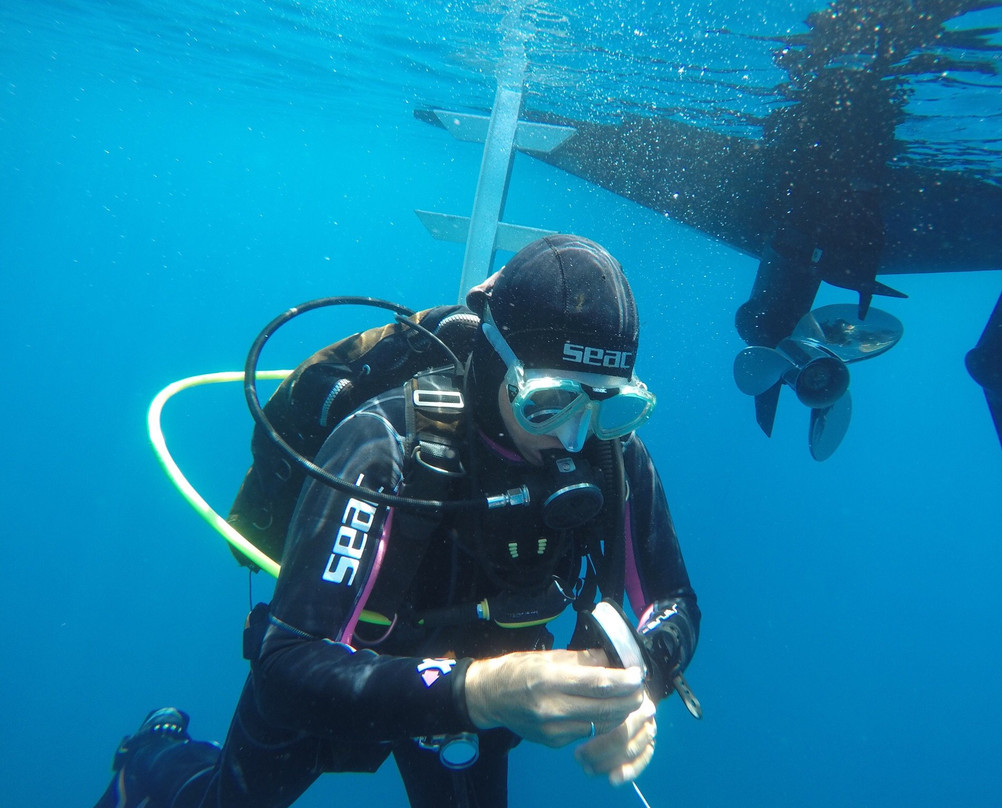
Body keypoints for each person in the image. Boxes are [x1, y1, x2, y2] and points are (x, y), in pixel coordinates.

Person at [94, 234, 700, 808]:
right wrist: (483, 690)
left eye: (612, 405)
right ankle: (150, 753)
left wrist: (639, 682)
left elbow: (672, 602)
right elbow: (285, 668)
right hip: (366, 675)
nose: (572, 436)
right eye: (545, 401)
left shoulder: (612, 454)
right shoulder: (385, 441)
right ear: (497, 364)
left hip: (485, 693)